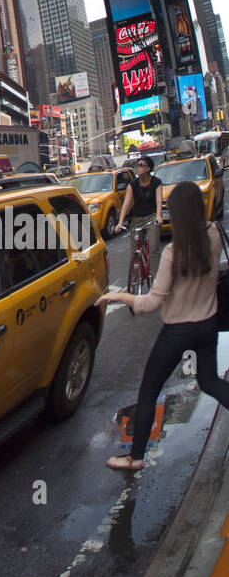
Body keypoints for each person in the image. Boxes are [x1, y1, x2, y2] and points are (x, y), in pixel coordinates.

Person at [98, 181, 229, 470]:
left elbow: (150, 304)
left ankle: (135, 457)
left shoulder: (173, 253)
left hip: (177, 331)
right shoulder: (216, 233)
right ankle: (135, 456)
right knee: (209, 382)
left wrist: (117, 295)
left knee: (148, 393)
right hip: (208, 325)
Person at [116, 155, 162, 270]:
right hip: (137, 220)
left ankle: (156, 281)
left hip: (152, 219)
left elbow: (159, 201)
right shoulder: (132, 185)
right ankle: (134, 284)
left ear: (148, 168)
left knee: (153, 250)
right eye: (137, 165)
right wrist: (120, 223)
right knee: (134, 253)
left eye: (141, 165)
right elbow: (125, 205)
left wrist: (158, 216)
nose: (138, 167)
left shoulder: (156, 183)